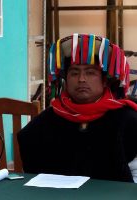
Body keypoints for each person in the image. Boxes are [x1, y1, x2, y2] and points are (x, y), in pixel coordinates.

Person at [17, 33, 137, 182]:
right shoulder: (48, 120)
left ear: (105, 80)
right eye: (74, 73)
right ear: (65, 79)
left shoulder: (128, 119)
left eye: (90, 72)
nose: (81, 79)